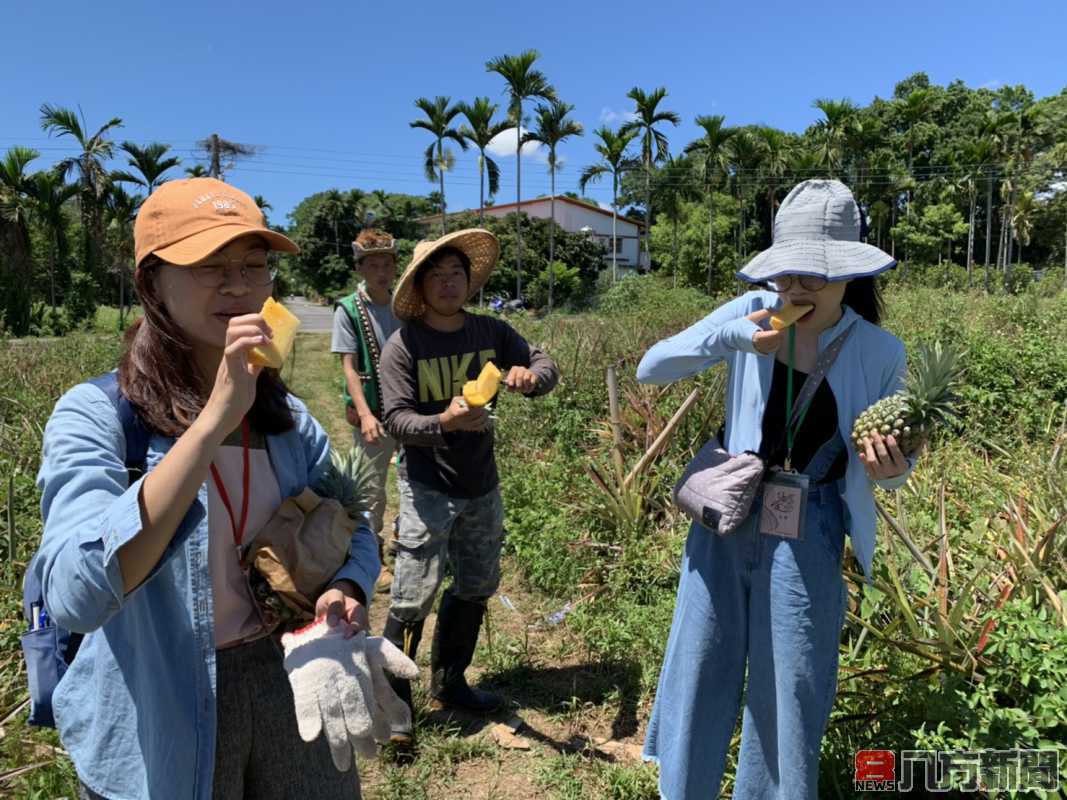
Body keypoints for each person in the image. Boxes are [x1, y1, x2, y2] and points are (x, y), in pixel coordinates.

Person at [30, 178, 379, 800]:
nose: (239, 285)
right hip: (158, 697)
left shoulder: (289, 420)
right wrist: (214, 418)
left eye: (253, 265)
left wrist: (345, 588)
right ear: (151, 283)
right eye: (208, 265)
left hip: (289, 675)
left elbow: (357, 525)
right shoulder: (97, 415)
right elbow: (76, 595)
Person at [638, 180, 915, 799]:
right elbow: (650, 367)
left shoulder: (879, 351)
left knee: (790, 682)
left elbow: (892, 471)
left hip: (811, 523)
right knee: (701, 663)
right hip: (728, 513)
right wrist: (735, 336)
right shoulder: (751, 313)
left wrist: (891, 466)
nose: (796, 288)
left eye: (815, 275)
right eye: (788, 272)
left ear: (850, 276)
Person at [377, 229, 559, 747]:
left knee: (476, 584)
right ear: (420, 286)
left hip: (482, 485)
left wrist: (531, 377)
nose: (448, 283)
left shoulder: (492, 331)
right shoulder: (404, 344)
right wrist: (445, 423)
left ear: (468, 280)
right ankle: (397, 712)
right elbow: (395, 420)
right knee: (412, 597)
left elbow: (544, 364)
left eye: (456, 273)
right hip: (426, 485)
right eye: (437, 275)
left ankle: (450, 683)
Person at [332, 228, 403, 589]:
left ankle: (405, 546)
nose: (381, 271)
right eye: (373, 264)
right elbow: (349, 366)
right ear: (360, 267)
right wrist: (364, 414)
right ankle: (370, 556)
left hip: (410, 408)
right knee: (372, 488)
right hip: (373, 411)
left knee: (414, 481)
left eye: (387, 263)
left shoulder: (405, 303)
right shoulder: (348, 309)